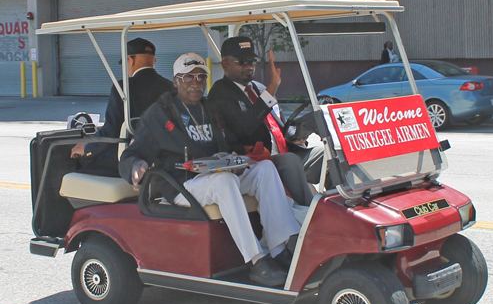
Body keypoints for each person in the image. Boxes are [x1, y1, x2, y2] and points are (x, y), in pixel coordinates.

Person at [119, 53, 300, 287]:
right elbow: (133, 153)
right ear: (176, 81)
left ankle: (279, 248)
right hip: (182, 184)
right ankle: (256, 261)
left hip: (214, 176)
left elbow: (230, 142)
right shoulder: (160, 113)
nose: (195, 83)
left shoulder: (210, 109)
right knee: (224, 182)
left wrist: (234, 156)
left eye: (201, 77)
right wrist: (136, 164)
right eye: (188, 78)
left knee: (265, 169)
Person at [207, 36, 324, 206]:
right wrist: (272, 89)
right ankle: (311, 217)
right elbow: (244, 127)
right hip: (255, 160)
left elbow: (277, 124)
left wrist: (296, 134)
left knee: (325, 152)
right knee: (290, 161)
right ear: (225, 64)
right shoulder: (220, 93)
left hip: (285, 151)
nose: (249, 67)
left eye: (251, 61)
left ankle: (342, 205)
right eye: (242, 62)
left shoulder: (259, 88)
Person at [70, 37, 176, 176]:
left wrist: (88, 149)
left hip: (130, 156)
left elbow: (111, 131)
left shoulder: (123, 87)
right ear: (154, 61)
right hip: (162, 156)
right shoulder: (170, 87)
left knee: (81, 163)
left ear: (130, 60)